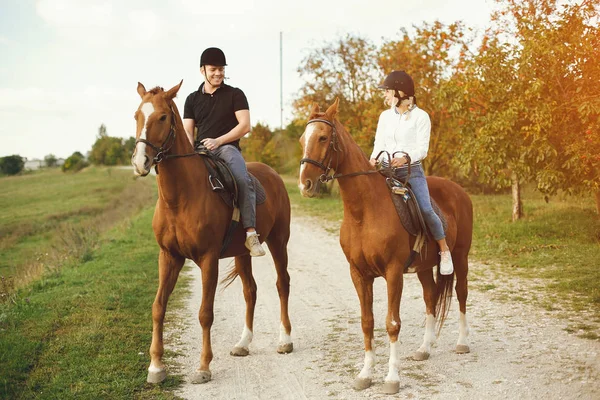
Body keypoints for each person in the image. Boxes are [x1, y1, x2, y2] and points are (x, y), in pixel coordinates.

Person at [183, 47, 265, 257]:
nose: (218, 73)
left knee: (241, 177)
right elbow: (188, 131)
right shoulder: (192, 99)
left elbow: (244, 126)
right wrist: (189, 152)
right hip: (200, 151)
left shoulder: (235, 94)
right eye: (213, 69)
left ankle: (250, 233)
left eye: (221, 69)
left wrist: (218, 141)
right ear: (202, 70)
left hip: (227, 149)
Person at [369, 70, 453, 275]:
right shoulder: (385, 116)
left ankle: (444, 250)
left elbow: (422, 149)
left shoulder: (421, 117)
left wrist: (406, 157)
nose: (385, 95)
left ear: (401, 92)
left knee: (425, 209)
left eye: (388, 91)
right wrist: (373, 158)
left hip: (411, 171)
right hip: (386, 169)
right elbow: (379, 142)